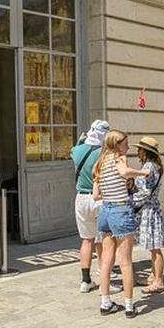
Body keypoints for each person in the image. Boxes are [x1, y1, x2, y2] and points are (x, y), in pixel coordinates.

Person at [92, 130, 149, 318]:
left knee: (106, 260)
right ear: (117, 144)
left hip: (105, 212)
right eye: (125, 143)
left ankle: (105, 302)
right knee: (125, 262)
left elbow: (95, 195)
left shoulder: (100, 163)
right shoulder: (119, 159)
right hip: (120, 210)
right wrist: (143, 172)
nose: (128, 146)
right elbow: (124, 172)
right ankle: (130, 304)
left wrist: (116, 187)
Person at [71, 119, 119, 294]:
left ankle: (85, 280)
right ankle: (104, 278)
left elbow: (75, 149)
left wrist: (81, 140)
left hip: (81, 198)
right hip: (100, 198)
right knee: (104, 240)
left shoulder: (77, 151)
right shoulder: (104, 153)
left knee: (87, 240)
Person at [131, 137, 164, 294]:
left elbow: (145, 192)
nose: (137, 152)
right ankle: (153, 276)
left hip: (149, 210)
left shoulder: (150, 167)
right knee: (153, 246)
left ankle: (158, 281)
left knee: (154, 247)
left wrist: (130, 201)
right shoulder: (151, 166)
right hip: (149, 209)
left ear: (145, 152)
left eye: (139, 149)